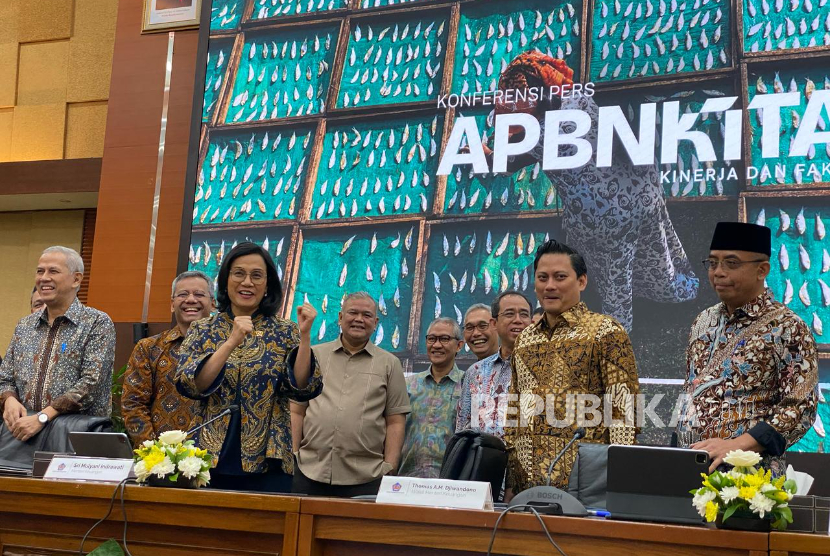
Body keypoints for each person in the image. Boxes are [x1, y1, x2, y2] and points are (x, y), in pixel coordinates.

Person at [488, 51, 698, 331]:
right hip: (643, 193)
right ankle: (676, 292)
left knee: (616, 275)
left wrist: (481, 152)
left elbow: (503, 164)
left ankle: (618, 331)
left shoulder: (538, 133)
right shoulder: (578, 99)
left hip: (604, 216)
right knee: (654, 250)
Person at [176, 242, 322, 493]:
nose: (247, 283)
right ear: (225, 281)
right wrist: (232, 341)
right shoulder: (202, 329)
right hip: (208, 457)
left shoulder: (285, 331)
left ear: (267, 286)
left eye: (257, 276)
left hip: (270, 458)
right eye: (239, 274)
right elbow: (192, 385)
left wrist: (305, 336)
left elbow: (302, 387)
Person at [679, 222, 818, 476]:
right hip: (692, 466)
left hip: (750, 479)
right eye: (712, 263)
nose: (718, 272)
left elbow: (799, 409)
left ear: (761, 270)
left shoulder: (787, 327)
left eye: (731, 263)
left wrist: (736, 447)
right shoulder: (703, 321)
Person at [504, 239, 640, 496]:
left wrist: (619, 483)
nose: (550, 286)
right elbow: (516, 412)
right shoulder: (525, 339)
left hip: (585, 486)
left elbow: (625, 413)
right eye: (542, 277)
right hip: (528, 485)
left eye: (560, 276)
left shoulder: (605, 331)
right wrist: (512, 480)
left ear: (581, 281)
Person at [292, 292, 410, 497]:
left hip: (367, 476)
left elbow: (395, 420)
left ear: (375, 322)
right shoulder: (315, 355)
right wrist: (293, 456)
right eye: (352, 313)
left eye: (366, 315)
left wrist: (389, 466)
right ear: (339, 317)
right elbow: (297, 409)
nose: (358, 319)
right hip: (309, 470)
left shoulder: (390, 364)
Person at [0, 246, 116, 443]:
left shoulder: (97, 322)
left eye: (53, 271)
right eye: (40, 271)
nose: (44, 278)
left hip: (76, 437)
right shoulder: (25, 325)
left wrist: (43, 417)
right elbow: (5, 377)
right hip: (22, 437)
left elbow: (91, 383)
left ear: (76, 279)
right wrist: (9, 399)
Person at [121, 271, 214, 446]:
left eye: (199, 294)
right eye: (183, 294)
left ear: (213, 303)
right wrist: (156, 453)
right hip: (162, 462)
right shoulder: (148, 348)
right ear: (172, 304)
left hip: (217, 460)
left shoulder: (227, 348)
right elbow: (133, 405)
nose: (191, 300)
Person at [456, 291, 532, 438]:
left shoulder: (546, 368)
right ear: (494, 323)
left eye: (524, 314)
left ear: (532, 323)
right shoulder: (475, 372)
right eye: (509, 314)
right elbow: (462, 431)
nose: (517, 320)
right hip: (483, 459)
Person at [399, 317, 465, 478]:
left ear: (459, 345)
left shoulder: (468, 386)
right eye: (431, 339)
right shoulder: (408, 385)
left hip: (451, 482)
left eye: (444, 339)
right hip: (406, 479)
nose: (436, 345)